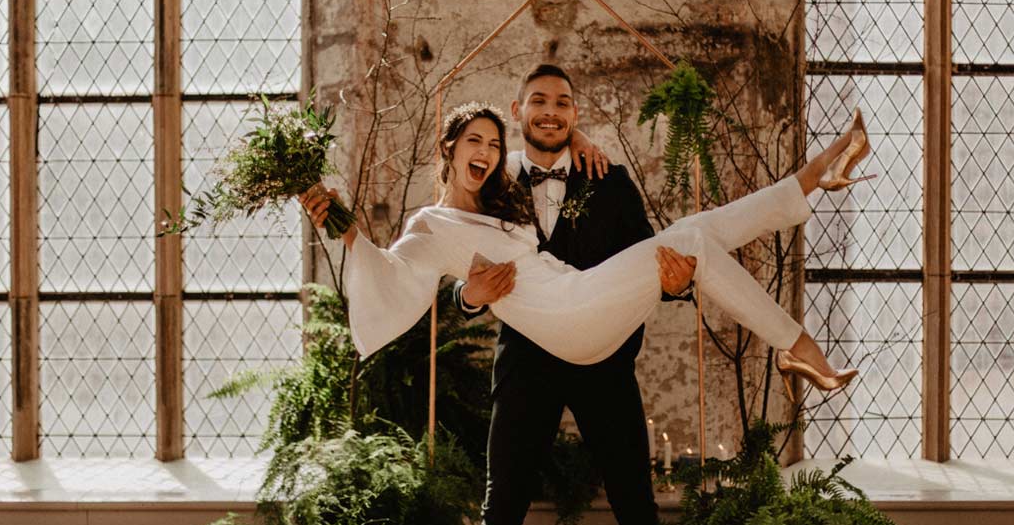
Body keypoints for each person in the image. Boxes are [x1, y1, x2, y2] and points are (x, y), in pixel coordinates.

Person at [299, 100, 867, 389]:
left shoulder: (505, 191)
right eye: (474, 141)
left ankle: (815, 176)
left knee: (700, 228)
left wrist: (579, 132)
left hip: (579, 297)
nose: (488, 152)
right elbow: (386, 268)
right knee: (693, 233)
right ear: (449, 149)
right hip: (564, 319)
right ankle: (797, 343)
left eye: (494, 144)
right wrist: (339, 220)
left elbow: (550, 139)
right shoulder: (430, 225)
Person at [451, 63, 694, 525]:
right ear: (518, 111)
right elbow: (456, 273)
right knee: (500, 516)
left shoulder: (611, 180)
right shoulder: (490, 186)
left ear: (575, 115)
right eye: (538, 101)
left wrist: (676, 285)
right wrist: (471, 296)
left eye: (562, 103)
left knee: (638, 512)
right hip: (525, 364)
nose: (550, 111)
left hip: (605, 363)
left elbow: (648, 260)